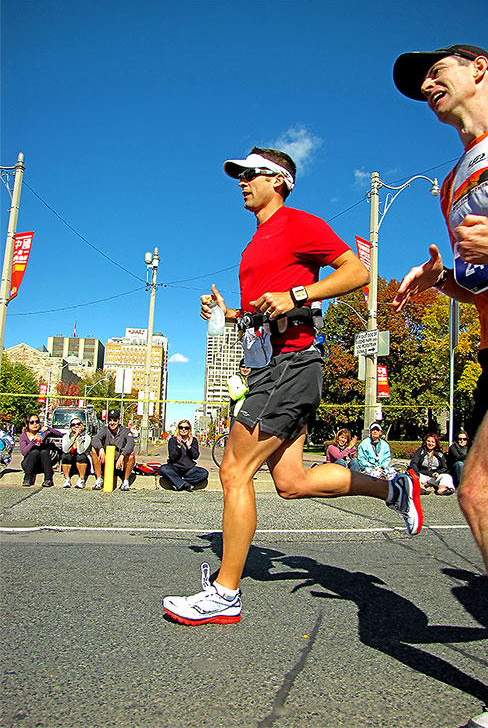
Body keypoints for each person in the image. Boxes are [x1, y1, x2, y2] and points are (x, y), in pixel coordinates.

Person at [163, 146, 423, 627]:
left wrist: (298, 294)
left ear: (279, 180)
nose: (242, 181)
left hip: (293, 362)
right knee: (292, 481)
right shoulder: (255, 243)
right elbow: (266, 310)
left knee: (233, 471)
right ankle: (395, 490)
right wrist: (230, 314)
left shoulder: (300, 223)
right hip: (270, 365)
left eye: (251, 174)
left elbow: (358, 272)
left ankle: (225, 594)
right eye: (238, 176)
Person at [393, 44, 488, 727]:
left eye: (438, 69)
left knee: (485, 494)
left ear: (480, 68)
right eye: (420, 82)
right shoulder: (453, 182)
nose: (427, 83)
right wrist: (446, 282)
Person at [91, 409, 135, 491]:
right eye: (110, 420)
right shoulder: (104, 430)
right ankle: (99, 479)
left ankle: (125, 481)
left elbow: (131, 443)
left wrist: (122, 455)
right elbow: (95, 439)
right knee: (94, 450)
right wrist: (100, 449)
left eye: (114, 420)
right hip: (107, 461)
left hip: (120, 464)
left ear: (119, 420)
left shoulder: (125, 431)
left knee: (131, 455)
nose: (112, 423)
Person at [158, 420, 208, 492]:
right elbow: (172, 457)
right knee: (163, 469)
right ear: (178, 429)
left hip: (189, 469)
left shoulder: (193, 440)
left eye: (186, 428)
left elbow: (195, 456)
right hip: (175, 468)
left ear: (189, 429)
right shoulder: (173, 440)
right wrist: (178, 446)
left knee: (204, 473)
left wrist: (189, 447)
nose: (183, 429)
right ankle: (184, 484)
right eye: (181, 427)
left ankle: (179, 482)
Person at [19, 413, 62, 487]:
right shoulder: (23, 436)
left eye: (37, 422)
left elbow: (60, 434)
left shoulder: (43, 433)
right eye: (32, 422)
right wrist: (33, 441)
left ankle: (48, 479)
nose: (35, 424)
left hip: (42, 464)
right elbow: (24, 452)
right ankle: (27, 479)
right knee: (35, 452)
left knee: (44, 452)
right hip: (29, 463)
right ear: (27, 424)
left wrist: (48, 428)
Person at [61, 416, 92, 489]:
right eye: (73, 425)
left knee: (81, 456)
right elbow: (65, 450)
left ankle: (81, 479)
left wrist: (78, 438)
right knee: (65, 456)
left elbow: (81, 451)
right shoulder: (66, 436)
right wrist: (73, 437)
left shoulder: (87, 437)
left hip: (83, 463)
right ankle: (66, 479)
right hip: (71, 463)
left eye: (78, 424)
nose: (76, 426)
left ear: (82, 425)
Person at [227, 360, 250, 425]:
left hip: (250, 415)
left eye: (248, 367)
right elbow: (234, 396)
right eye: (243, 367)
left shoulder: (253, 378)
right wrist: (245, 386)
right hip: (237, 415)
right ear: (239, 368)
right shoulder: (234, 378)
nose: (245, 369)